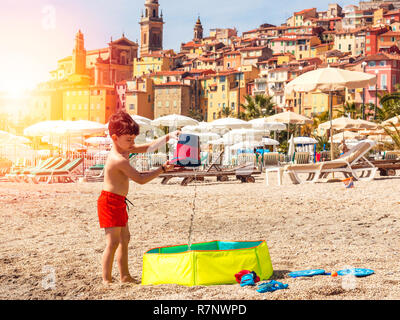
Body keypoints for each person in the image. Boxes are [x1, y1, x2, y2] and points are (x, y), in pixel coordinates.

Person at [98, 111, 180, 284]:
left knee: (124, 239)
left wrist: (168, 136)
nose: (132, 143)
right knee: (112, 243)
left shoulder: (125, 148)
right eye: (129, 140)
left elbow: (149, 147)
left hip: (119, 201)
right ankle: (106, 279)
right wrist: (162, 169)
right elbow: (141, 179)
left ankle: (124, 276)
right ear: (114, 137)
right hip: (109, 202)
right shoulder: (118, 159)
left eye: (133, 139)